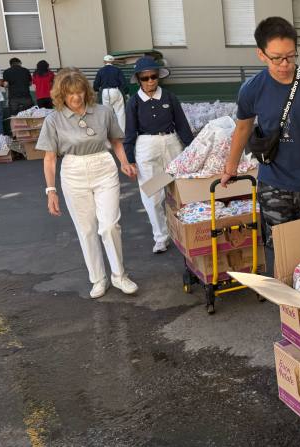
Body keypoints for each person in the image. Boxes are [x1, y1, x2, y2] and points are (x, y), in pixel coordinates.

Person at [220, 16, 300, 277]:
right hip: (273, 185)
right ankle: (288, 307)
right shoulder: (252, 89)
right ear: (261, 54)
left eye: (291, 56)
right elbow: (242, 128)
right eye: (277, 58)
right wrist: (230, 166)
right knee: (282, 252)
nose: (285, 64)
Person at [36, 68, 139, 299]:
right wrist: (51, 191)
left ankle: (119, 275)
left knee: (110, 225)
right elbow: (50, 158)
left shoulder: (103, 112)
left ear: (86, 91)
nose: (76, 97)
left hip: (103, 165)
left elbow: (116, 141)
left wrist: (124, 162)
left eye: (79, 92)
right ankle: (98, 279)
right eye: (70, 94)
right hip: (73, 170)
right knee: (87, 229)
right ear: (61, 95)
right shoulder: (53, 120)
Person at [123, 56, 193, 254]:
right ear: (138, 80)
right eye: (145, 78)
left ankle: (184, 230)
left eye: (153, 76)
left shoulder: (169, 97)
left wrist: (193, 150)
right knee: (152, 194)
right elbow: (129, 133)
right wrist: (129, 160)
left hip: (171, 144)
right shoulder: (134, 102)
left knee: (178, 189)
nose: (150, 81)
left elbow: (182, 125)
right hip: (146, 146)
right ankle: (160, 237)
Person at [93, 54, 128, 132]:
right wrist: (126, 92)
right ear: (113, 61)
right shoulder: (117, 70)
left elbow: (96, 84)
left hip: (105, 92)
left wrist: (96, 90)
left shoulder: (100, 71)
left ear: (104, 62)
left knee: (107, 114)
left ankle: (109, 133)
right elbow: (123, 82)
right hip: (115, 91)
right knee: (120, 113)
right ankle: (122, 133)